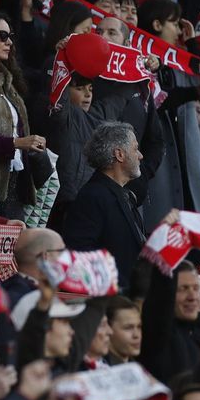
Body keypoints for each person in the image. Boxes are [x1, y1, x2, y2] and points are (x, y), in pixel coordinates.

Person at [62, 122, 147, 288]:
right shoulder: (92, 197)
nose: (140, 155)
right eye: (135, 149)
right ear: (119, 154)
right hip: (109, 302)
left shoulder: (125, 196)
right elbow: (81, 254)